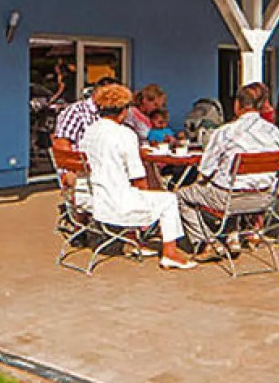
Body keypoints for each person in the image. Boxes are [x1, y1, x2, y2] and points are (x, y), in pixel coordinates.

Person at [77, 83, 196, 269]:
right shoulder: (125, 134)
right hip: (117, 205)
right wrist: (146, 197)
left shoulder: (89, 132)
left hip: (95, 201)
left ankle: (131, 241)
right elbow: (138, 178)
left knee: (131, 190)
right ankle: (170, 253)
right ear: (123, 111)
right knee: (168, 199)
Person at [176, 81, 279, 250]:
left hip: (229, 198)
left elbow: (205, 170)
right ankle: (232, 237)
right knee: (229, 184)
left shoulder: (226, 132)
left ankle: (207, 243)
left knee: (182, 195)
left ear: (237, 105)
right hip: (264, 199)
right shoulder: (275, 133)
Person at [52, 83, 106, 147]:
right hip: (80, 155)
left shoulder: (106, 114)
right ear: (96, 92)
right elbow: (62, 143)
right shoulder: (77, 111)